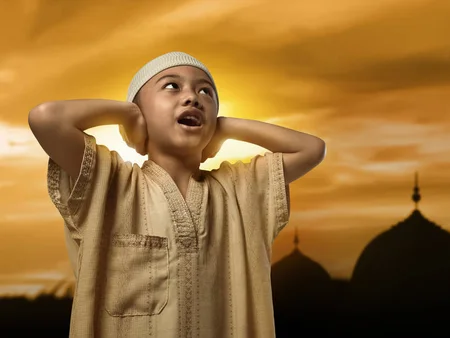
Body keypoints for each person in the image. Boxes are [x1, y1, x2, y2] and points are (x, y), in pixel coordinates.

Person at [28, 51, 326, 338]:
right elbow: (45, 118)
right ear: (141, 113)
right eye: (172, 86)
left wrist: (224, 127)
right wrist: (128, 114)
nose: (192, 98)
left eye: (206, 93)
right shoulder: (109, 184)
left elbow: (312, 149)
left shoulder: (238, 192)